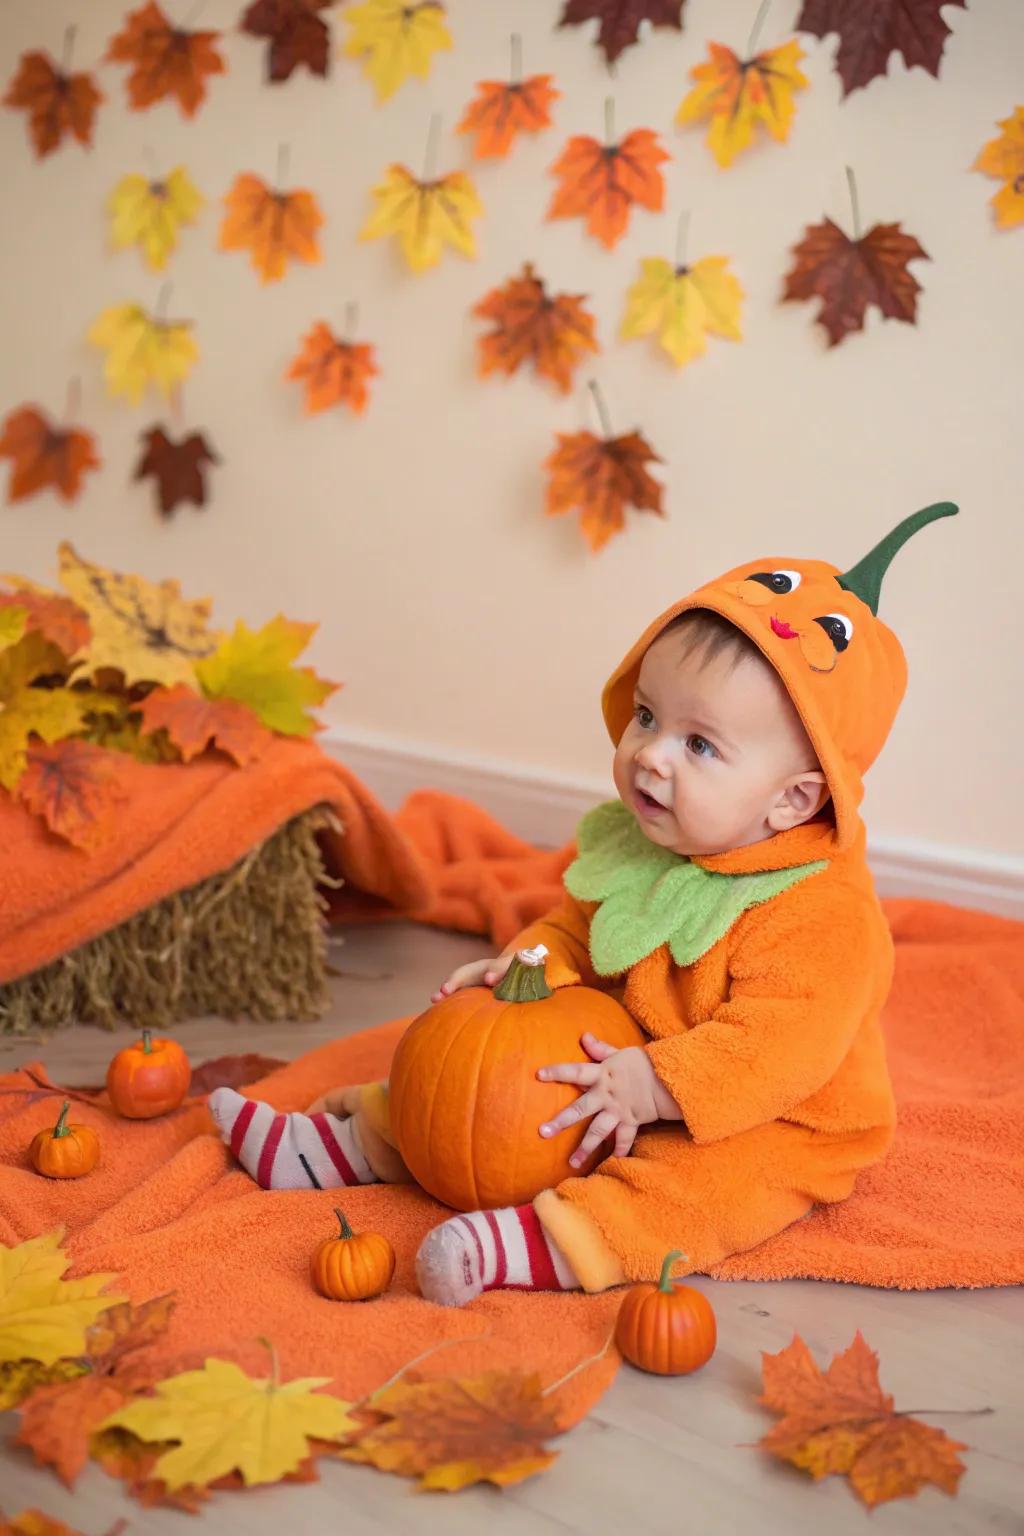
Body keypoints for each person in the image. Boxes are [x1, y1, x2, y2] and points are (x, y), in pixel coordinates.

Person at [211, 502, 958, 1307]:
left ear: (791, 801)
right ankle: (355, 1141)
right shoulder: (645, 838)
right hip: (629, 1064)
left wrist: (654, 1086)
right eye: (646, 717)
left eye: (698, 745)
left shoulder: (821, 914)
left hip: (771, 1116)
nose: (649, 756)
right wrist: (529, 966)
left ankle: (555, 1241)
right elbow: (578, 926)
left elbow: (779, 1049)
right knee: (482, 1085)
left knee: (703, 1186)